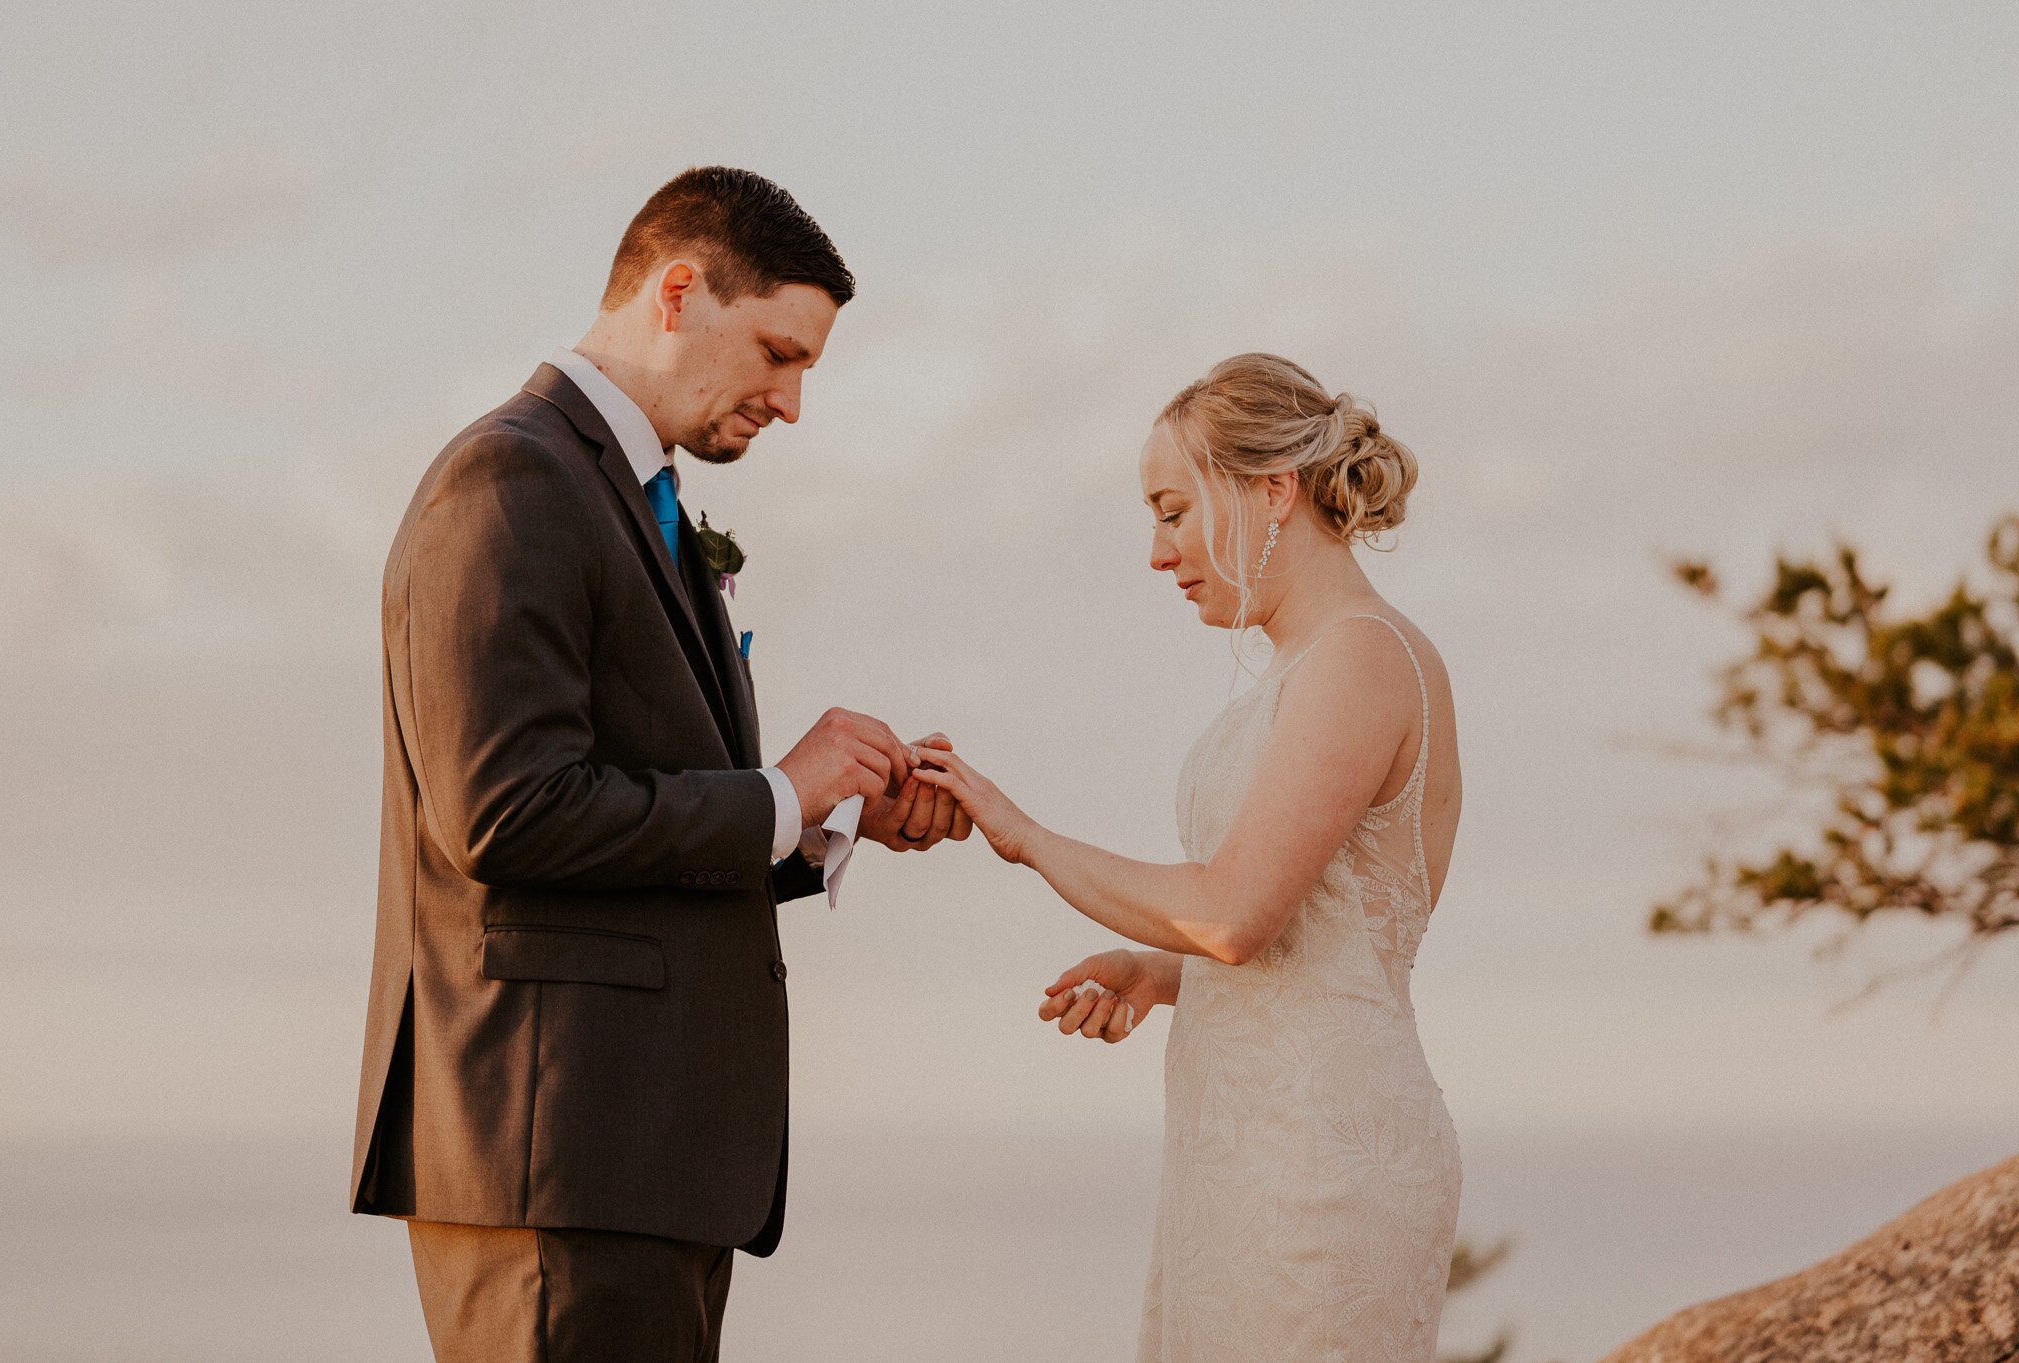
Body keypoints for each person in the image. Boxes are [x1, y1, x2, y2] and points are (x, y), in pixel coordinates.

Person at [348, 166, 970, 1362]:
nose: (791, 402)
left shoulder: (635, 495)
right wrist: (777, 791)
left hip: (634, 1162)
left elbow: (627, 796)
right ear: (676, 292)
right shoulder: (510, 479)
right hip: (557, 1157)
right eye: (778, 354)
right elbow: (508, 812)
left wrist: (819, 821)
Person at [913, 354, 1463, 1359]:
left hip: (1318, 1159)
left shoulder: (1359, 656)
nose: (1158, 550)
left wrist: (1025, 835)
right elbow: (1299, 929)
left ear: (1271, 489)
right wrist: (1164, 973)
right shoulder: (1312, 661)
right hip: (1245, 1141)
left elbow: (1230, 911)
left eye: (1171, 509)